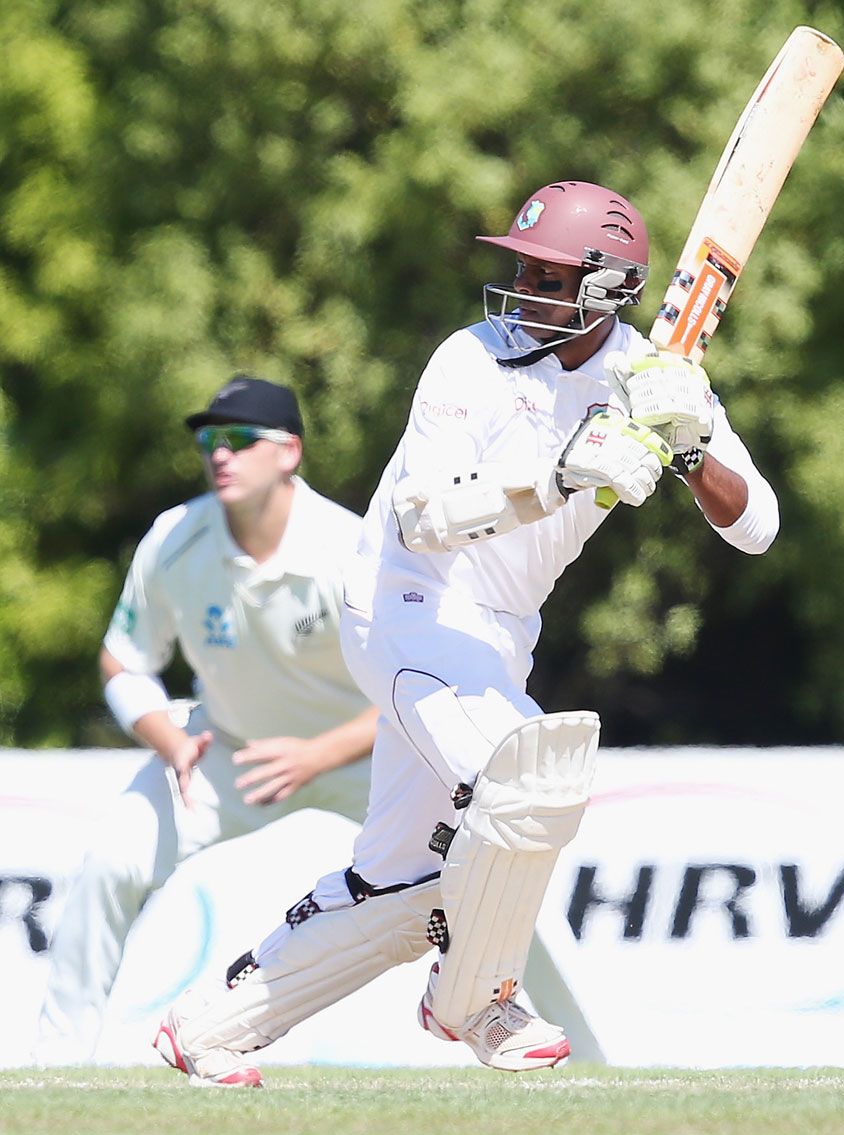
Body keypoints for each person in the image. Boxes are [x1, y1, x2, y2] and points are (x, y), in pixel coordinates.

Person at [156, 181, 780, 1087]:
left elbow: (754, 524)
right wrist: (560, 476)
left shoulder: (651, 378)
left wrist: (689, 449)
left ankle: (209, 1026)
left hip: (496, 635)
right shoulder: (469, 359)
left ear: (605, 291)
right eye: (520, 266)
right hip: (402, 603)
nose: (521, 285)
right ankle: (477, 995)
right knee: (531, 773)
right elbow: (421, 517)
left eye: (547, 273)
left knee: (403, 883)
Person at [34, 376, 378, 1067]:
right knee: (110, 862)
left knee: (481, 871)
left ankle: (566, 1049)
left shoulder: (352, 547)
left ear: (289, 452)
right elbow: (122, 661)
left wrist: (316, 755)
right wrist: (166, 734)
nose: (220, 454)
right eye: (209, 440)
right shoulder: (175, 539)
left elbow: (411, 688)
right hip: (225, 752)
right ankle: (54, 1069)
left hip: (359, 756)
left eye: (239, 440)